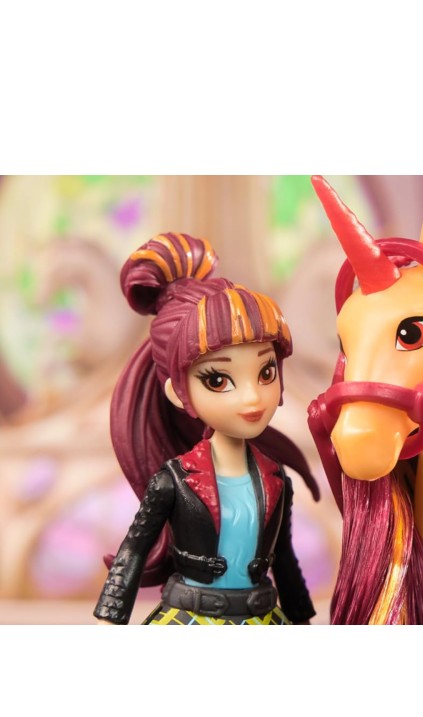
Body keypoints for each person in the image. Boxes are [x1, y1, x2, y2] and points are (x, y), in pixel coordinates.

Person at [94, 232, 318, 625]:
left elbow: (284, 559)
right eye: (218, 380)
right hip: (191, 616)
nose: (253, 398)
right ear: (178, 392)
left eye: (266, 372)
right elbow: (133, 550)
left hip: (261, 616)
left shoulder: (275, 479)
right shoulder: (174, 481)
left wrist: (301, 619)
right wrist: (110, 617)